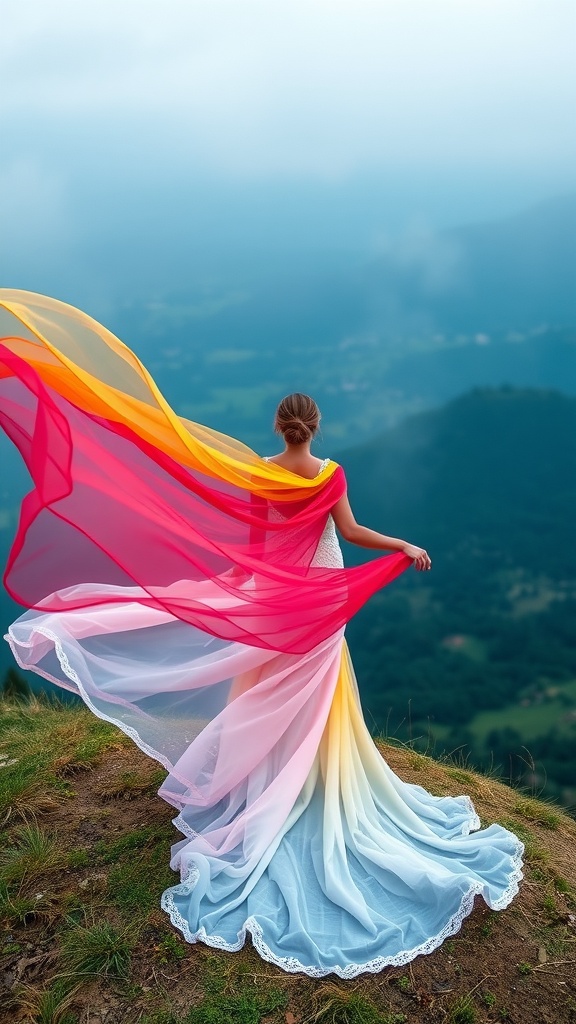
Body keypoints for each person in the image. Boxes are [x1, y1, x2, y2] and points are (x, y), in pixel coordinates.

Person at [0, 290, 523, 978]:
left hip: (278, 596)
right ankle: (309, 784)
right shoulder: (330, 475)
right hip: (319, 594)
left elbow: (254, 545)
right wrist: (402, 546)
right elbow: (352, 534)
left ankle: (264, 788)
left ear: (280, 427)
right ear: (315, 426)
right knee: (318, 692)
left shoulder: (260, 478)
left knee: (265, 685)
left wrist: (236, 591)